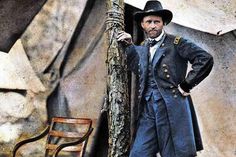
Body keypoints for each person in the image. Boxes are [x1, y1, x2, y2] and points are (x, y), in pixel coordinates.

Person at [117, 0, 214, 157]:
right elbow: (139, 69)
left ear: (163, 23)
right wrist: (129, 46)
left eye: (157, 21)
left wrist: (186, 85)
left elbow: (205, 59)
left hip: (171, 107)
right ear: (142, 24)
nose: (153, 25)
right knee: (139, 153)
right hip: (148, 108)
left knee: (174, 153)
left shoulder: (177, 43)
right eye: (149, 22)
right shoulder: (143, 46)